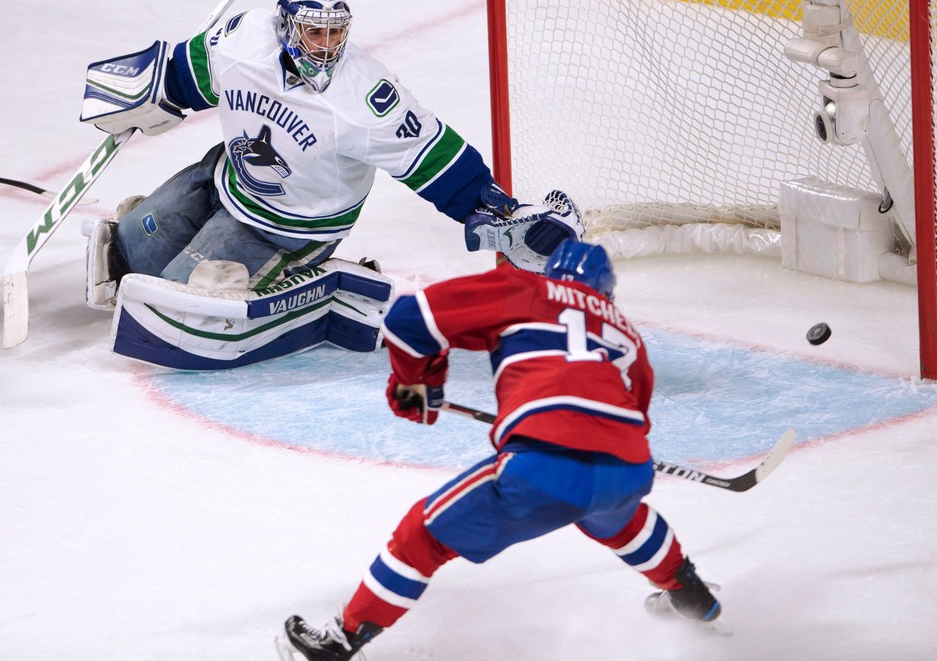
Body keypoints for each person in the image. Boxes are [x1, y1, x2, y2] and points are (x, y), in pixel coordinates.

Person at [77, 0, 583, 368]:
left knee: (188, 301)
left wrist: (499, 211)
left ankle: (329, 288)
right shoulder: (244, 39)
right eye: (313, 31)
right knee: (122, 258)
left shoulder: (364, 95)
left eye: (335, 32)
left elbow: (435, 159)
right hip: (221, 181)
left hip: (289, 229)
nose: (324, 44)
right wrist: (149, 92)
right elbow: (186, 74)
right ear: (285, 26)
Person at [275, 240, 725, 661]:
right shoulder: (625, 333)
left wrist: (420, 383)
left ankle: (341, 641)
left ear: (551, 272)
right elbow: (636, 415)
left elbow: (411, 318)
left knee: (423, 536)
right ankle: (691, 595)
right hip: (627, 467)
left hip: (543, 464)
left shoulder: (526, 289)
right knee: (619, 514)